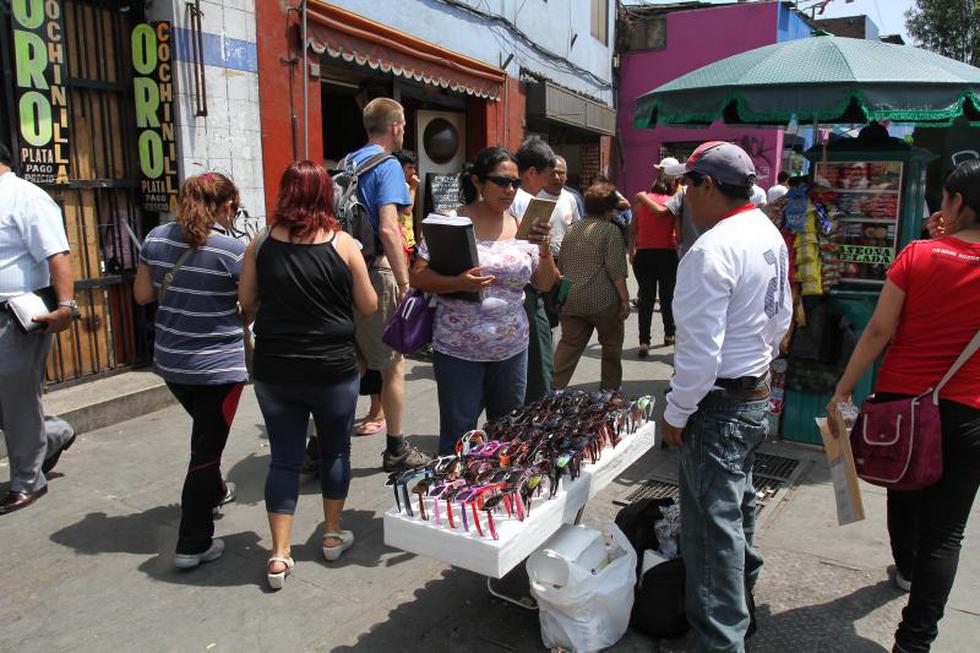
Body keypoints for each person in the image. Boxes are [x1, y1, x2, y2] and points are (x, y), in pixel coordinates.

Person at [827, 160, 980, 653]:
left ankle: (906, 570)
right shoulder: (926, 249)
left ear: (955, 202)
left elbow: (879, 329)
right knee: (947, 532)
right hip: (971, 413)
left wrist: (843, 389)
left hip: (904, 406)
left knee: (904, 490)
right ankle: (915, 641)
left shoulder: (919, 254)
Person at [660, 141, 792, 651]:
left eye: (688, 184)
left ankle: (721, 639)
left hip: (720, 404)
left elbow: (698, 355)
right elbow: (780, 318)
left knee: (711, 534)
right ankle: (742, 610)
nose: (683, 195)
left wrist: (676, 413)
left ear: (707, 185)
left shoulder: (711, 250)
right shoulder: (765, 233)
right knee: (737, 511)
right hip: (753, 392)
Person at [239, 161, 377, 589]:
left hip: (276, 368)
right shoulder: (345, 245)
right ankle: (332, 536)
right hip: (333, 368)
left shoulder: (260, 243)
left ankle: (279, 555)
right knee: (335, 452)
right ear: (325, 196)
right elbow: (369, 305)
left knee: (284, 457)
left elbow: (245, 302)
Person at [411, 146, 558, 455]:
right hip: (458, 351)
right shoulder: (449, 221)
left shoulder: (522, 225)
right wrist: (458, 282)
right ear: (478, 182)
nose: (510, 190)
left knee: (507, 431)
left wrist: (544, 249)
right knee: (458, 435)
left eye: (515, 183)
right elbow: (419, 277)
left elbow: (544, 283)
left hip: (512, 349)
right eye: (501, 182)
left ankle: (497, 496)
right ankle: (455, 497)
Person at [133, 172, 247, 567]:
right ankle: (192, 542)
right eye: (234, 206)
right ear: (223, 206)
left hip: (172, 364)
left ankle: (214, 490)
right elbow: (250, 306)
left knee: (205, 438)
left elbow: (143, 295)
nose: (235, 214)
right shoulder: (232, 250)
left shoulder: (155, 239)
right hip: (219, 368)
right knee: (205, 453)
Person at [344, 98, 428, 472]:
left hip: (343, 270)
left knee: (356, 360)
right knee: (393, 364)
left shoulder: (347, 162)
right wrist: (406, 282)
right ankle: (396, 449)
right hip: (376, 272)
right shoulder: (388, 165)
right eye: (405, 126)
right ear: (395, 126)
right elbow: (389, 228)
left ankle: (324, 440)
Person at [0, 143, 76, 516]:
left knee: (15, 399)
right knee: (11, 401)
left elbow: (57, 253)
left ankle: (28, 481)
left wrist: (66, 307)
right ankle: (55, 432)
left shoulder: (26, 197)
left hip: (14, 316)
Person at [551, 182, 630, 391]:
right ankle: (609, 392)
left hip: (572, 301)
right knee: (611, 347)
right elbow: (617, 272)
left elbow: (562, 266)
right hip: (602, 301)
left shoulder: (572, 229)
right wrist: (624, 300)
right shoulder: (610, 231)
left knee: (568, 346)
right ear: (610, 208)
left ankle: (552, 389)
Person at [509, 137, 558, 403]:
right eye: (546, 176)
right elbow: (539, 258)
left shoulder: (496, 201)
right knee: (539, 368)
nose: (547, 184)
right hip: (527, 291)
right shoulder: (529, 203)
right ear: (530, 172)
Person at [631, 166, 680, 354]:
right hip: (667, 253)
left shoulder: (640, 204)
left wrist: (631, 249)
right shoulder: (672, 202)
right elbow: (677, 231)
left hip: (644, 253)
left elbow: (633, 228)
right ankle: (669, 334)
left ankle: (644, 341)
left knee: (646, 299)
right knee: (667, 297)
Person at [635, 156, 701, 260]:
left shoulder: (680, 192)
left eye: (661, 171)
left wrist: (641, 196)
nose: (659, 175)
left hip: (681, 246)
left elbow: (660, 211)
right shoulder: (684, 191)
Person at [537, 155, 581, 257]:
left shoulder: (571, 199)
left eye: (561, 173)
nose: (557, 177)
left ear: (566, 176)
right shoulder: (535, 198)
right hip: (543, 258)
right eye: (553, 173)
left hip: (566, 258)